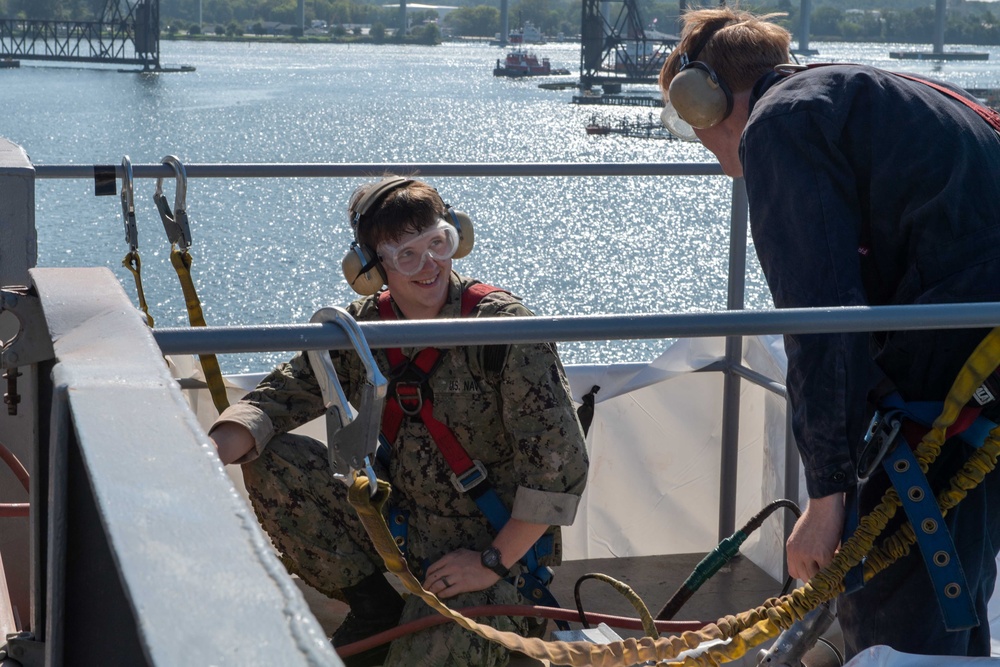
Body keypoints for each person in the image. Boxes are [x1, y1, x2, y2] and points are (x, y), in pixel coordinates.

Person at [658, 8, 1000, 659]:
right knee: (954, 578)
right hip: (978, 362)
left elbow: (820, 320)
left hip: (951, 369)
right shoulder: (851, 93)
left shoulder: (779, 126)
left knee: (892, 600)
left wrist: (826, 496)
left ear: (701, 100)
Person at [209, 175, 589, 667]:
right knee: (271, 459)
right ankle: (376, 607)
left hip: (489, 551)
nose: (429, 265)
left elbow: (558, 472)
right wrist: (204, 457)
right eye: (406, 255)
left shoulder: (502, 329)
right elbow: (280, 395)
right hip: (403, 528)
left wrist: (492, 563)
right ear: (373, 269)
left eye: (438, 243)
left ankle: (487, 610)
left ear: (456, 236)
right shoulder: (362, 328)